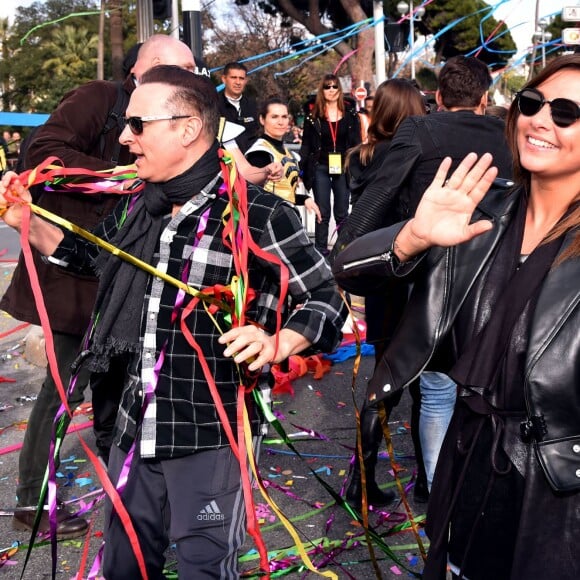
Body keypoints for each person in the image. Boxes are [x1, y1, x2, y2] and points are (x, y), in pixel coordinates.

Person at [0, 65, 347, 578]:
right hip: (130, 425)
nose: (124, 137)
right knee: (125, 562)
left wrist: (277, 342)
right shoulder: (141, 204)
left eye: (138, 125)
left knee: (205, 567)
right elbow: (95, 259)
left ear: (187, 129)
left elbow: (326, 299)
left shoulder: (261, 215)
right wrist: (27, 221)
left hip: (208, 434)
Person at [333, 53, 580, 580]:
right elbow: (349, 268)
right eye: (534, 103)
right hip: (466, 472)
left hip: (555, 499)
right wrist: (414, 237)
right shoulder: (481, 212)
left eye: (567, 113)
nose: (541, 119)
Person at [0, 34, 198, 539]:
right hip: (74, 272)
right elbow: (41, 150)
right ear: (144, 71)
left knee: (122, 384)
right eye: (182, 68)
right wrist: (120, 174)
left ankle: (128, 496)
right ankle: (31, 502)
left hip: (128, 270)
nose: (194, 78)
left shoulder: (178, 119)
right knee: (66, 388)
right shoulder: (100, 100)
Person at [334, 56, 514, 492]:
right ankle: (439, 488)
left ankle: (430, 490)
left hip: (421, 282)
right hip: (494, 285)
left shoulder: (419, 132)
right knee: (458, 391)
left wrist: (349, 251)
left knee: (415, 385)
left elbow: (376, 200)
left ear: (437, 97)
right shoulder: (510, 136)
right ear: (485, 98)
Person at [342, 78, 428, 508]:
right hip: (409, 275)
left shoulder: (358, 157)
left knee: (387, 381)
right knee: (422, 383)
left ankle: (362, 477)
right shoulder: (411, 155)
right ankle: (426, 476)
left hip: (377, 279)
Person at [299, 74, 361, 255]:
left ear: (340, 90)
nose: (332, 90)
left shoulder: (350, 114)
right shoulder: (313, 117)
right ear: (322, 90)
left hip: (343, 167)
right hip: (320, 167)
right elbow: (306, 146)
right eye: (327, 87)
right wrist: (301, 173)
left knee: (342, 211)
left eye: (335, 86)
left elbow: (357, 142)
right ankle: (320, 249)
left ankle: (344, 249)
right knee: (322, 211)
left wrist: (357, 167)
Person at [245, 96, 320, 221]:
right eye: (274, 117)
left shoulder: (288, 153)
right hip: (268, 220)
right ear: (262, 120)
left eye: (284, 117)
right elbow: (255, 192)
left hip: (286, 217)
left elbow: (285, 192)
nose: (281, 122)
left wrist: (304, 199)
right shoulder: (260, 151)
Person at [218, 61, 259, 153]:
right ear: (224, 79)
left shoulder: (253, 105)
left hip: (250, 160)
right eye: (233, 78)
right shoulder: (213, 104)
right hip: (223, 161)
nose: (238, 82)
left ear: (246, 81)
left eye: (241, 78)